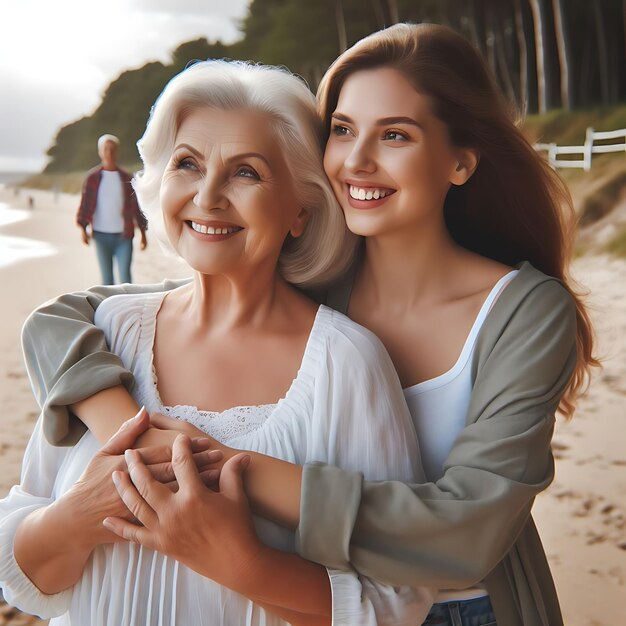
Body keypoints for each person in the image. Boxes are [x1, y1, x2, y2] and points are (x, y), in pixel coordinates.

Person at [13, 23, 596, 626]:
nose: (358, 160)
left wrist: (216, 464)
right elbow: (68, 317)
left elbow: (466, 533)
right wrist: (132, 432)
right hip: (316, 597)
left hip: (466, 605)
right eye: (342, 130)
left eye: (395, 134)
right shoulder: (313, 283)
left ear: (460, 161)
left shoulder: (522, 312)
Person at [0, 60, 436, 625]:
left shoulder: (346, 363)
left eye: (246, 173)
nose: (208, 196)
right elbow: (25, 576)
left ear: (301, 207)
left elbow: (398, 602)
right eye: (188, 164)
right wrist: (77, 517)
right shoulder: (108, 331)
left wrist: (241, 564)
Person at [77, 134, 148, 284]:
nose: (109, 152)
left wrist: (143, 233)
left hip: (125, 236)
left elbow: (136, 207)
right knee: (107, 281)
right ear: (100, 152)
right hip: (101, 236)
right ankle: (110, 308)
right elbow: (85, 205)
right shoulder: (92, 178)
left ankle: (128, 307)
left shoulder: (126, 178)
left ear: (117, 152)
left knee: (126, 279)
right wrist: (83, 229)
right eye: (106, 149)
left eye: (112, 149)